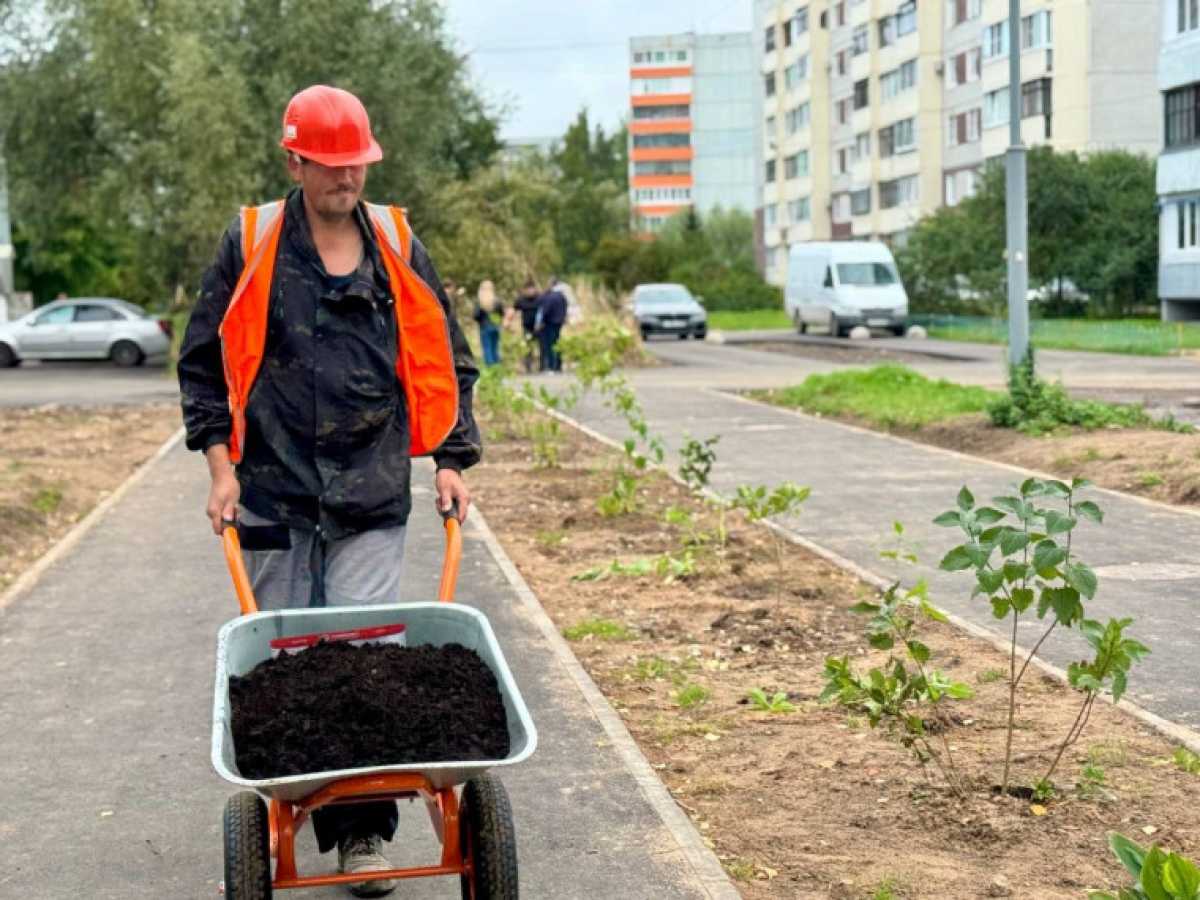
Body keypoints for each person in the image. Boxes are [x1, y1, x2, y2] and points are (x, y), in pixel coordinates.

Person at [177, 85, 480, 899]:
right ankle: (296, 807)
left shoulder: (395, 241)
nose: (348, 180)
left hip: (373, 489)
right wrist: (219, 469)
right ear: (296, 160)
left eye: (358, 165)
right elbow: (203, 361)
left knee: (364, 663)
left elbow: (444, 357)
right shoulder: (253, 242)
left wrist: (451, 457)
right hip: (271, 491)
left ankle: (361, 839)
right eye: (333, 166)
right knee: (291, 663)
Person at [536, 275, 568, 373]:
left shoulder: (549, 296)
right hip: (559, 322)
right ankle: (558, 365)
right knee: (558, 343)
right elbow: (565, 308)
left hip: (549, 323)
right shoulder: (562, 296)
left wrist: (540, 322)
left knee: (550, 345)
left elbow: (545, 310)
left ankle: (551, 366)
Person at [512, 278, 541, 373]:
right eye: (528, 289)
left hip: (539, 327)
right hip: (527, 327)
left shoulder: (539, 298)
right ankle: (528, 366)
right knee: (528, 347)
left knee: (540, 347)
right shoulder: (521, 299)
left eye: (532, 289)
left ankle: (541, 366)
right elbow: (514, 310)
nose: (530, 291)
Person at [472, 279, 502, 367]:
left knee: (487, 349)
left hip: (484, 327)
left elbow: (475, 316)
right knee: (495, 348)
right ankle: (497, 368)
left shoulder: (480, 302)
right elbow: (501, 313)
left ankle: (490, 369)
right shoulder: (496, 301)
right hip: (495, 327)